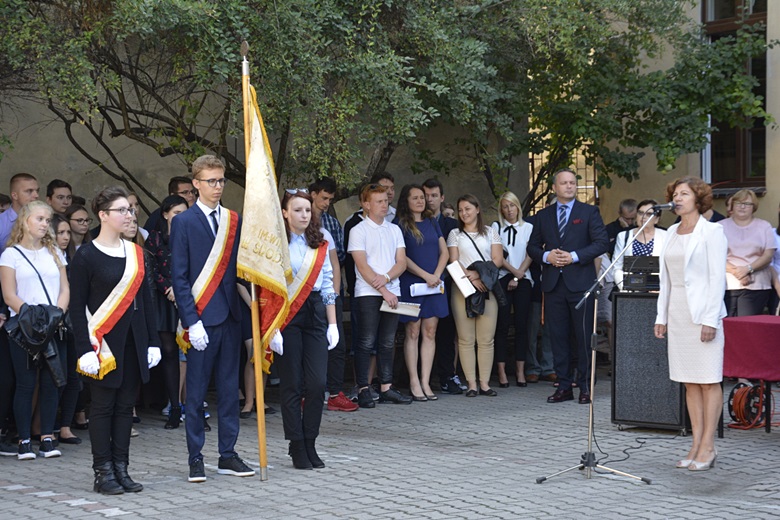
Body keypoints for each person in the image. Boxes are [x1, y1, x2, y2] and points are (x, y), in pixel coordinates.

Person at [69, 186, 161, 493]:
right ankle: (103, 471)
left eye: (130, 209)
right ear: (103, 215)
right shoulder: (86, 256)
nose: (129, 215)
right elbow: (77, 304)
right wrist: (84, 348)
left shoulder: (136, 253)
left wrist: (152, 341)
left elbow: (146, 301)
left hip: (134, 341)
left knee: (125, 407)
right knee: (103, 406)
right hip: (104, 344)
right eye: (122, 210)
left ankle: (122, 468)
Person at [170, 155, 254, 483]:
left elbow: (241, 271)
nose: (217, 187)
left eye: (220, 181)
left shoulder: (234, 219)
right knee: (196, 391)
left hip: (231, 315)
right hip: (202, 320)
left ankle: (227, 454)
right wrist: (191, 321)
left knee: (230, 390)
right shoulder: (184, 223)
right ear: (196, 183)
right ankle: (195, 456)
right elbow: (179, 277)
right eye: (210, 181)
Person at [653, 177, 727, 471]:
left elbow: (716, 278)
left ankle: (708, 446)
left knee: (708, 380)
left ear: (698, 199)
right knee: (689, 382)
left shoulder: (713, 231)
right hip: (678, 313)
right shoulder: (670, 231)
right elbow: (665, 279)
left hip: (703, 314)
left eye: (684, 194)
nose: (678, 198)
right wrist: (662, 317)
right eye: (675, 194)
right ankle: (696, 443)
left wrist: (710, 319)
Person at [527, 169, 609, 404]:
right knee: (558, 338)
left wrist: (573, 256)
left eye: (573, 183)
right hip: (554, 285)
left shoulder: (589, 212)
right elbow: (532, 247)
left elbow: (601, 243)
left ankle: (584, 386)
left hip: (581, 285)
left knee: (583, 337)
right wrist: (546, 257)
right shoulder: (543, 215)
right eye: (564, 183)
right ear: (555, 187)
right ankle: (564, 386)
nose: (569, 186)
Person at [270, 189, 339, 469]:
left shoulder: (319, 242)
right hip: (286, 315)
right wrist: (272, 327)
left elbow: (327, 284)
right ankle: (296, 444)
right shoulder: (275, 243)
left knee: (317, 383)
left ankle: (310, 439)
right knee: (292, 383)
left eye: (307, 211)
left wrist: (333, 323)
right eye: (297, 210)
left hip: (315, 314)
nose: (303, 215)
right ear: (285, 213)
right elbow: (269, 286)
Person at [0, 201, 70, 460]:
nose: (44, 224)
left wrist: (56, 316)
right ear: (25, 221)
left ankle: (48, 438)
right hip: (24, 329)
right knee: (26, 384)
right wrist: (33, 319)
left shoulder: (54, 252)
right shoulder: (11, 255)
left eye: (47, 219)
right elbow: (9, 295)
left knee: (53, 383)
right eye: (39, 218)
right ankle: (24, 439)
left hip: (53, 326)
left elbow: (65, 289)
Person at [347, 182, 411, 408]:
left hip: (391, 291)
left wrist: (386, 280)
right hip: (368, 293)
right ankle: (363, 388)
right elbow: (362, 267)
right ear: (366, 204)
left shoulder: (393, 229)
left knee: (387, 341)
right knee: (366, 341)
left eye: (386, 200)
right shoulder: (358, 230)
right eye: (379, 201)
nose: (385, 205)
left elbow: (401, 262)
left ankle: (386, 386)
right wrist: (383, 288)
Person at [395, 184, 449, 401]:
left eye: (422, 197)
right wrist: (425, 275)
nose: (420, 201)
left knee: (430, 332)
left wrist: (435, 275)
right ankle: (414, 381)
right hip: (411, 284)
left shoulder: (432, 222)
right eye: (415, 197)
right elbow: (402, 257)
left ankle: (426, 381)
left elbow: (444, 251)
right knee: (413, 332)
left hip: (434, 284)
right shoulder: (399, 224)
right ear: (406, 201)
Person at [447, 194, 504, 397]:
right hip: (462, 288)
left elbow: (497, 259)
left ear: (477, 209)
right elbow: (454, 260)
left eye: (468, 209)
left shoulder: (491, 233)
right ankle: (471, 383)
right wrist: (471, 278)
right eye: (461, 210)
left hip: (487, 288)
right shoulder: (455, 234)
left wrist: (480, 275)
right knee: (465, 338)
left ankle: (485, 383)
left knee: (486, 338)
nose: (464, 213)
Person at [309, 178, 357, 412]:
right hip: (306, 293)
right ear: (312, 194)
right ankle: (308, 393)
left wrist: (336, 293)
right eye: (324, 198)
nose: (327, 203)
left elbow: (336, 261)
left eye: (330, 199)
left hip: (329, 292)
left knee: (337, 343)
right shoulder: (297, 224)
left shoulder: (330, 225)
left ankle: (335, 392)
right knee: (309, 343)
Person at [145, 195, 189, 429]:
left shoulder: (193, 236)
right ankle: (174, 407)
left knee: (192, 353)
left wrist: (182, 290)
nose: (180, 218)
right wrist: (168, 289)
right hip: (165, 301)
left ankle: (194, 408)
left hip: (189, 298)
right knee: (170, 353)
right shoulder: (155, 238)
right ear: (165, 214)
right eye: (176, 213)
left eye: (184, 213)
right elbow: (151, 269)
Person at [422, 178, 465, 394]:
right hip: (422, 283)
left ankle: (447, 376)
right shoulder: (417, 221)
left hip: (447, 283)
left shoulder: (452, 225)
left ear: (442, 197)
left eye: (433, 195)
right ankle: (424, 379)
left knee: (447, 332)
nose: (429, 200)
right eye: (426, 195)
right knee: (422, 332)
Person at [492, 192, 533, 387]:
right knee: (502, 325)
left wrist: (518, 276)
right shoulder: (495, 227)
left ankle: (520, 371)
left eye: (512, 205)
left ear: (518, 207)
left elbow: (531, 254)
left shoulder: (529, 228)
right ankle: (501, 372)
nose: (509, 210)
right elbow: (496, 255)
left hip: (524, 278)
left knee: (521, 325)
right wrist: (512, 273)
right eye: (505, 206)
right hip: (502, 277)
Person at [720, 189, 776, 317]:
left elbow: (768, 255)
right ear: (732, 205)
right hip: (726, 284)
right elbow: (714, 255)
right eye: (739, 203)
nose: (742, 206)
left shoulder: (764, 226)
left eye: (747, 204)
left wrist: (748, 269)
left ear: (754, 207)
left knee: (747, 328)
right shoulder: (719, 227)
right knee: (725, 328)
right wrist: (738, 272)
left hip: (756, 285)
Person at [613, 199, 668, 291]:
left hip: (657, 291)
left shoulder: (666, 236)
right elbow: (616, 267)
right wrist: (625, 287)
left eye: (649, 214)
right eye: (640, 213)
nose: (643, 217)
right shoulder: (623, 236)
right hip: (630, 291)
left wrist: (659, 289)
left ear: (657, 219)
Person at [0, 173, 40, 253]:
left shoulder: (43, 220)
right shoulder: (1, 222)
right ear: (15, 196)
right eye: (29, 191)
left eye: (37, 191)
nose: (36, 195)